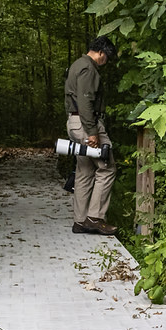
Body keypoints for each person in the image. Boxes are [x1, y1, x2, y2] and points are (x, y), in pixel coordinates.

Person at [65, 36, 117, 235]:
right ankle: (94, 218)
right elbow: (85, 101)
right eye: (107, 57)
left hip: (75, 122)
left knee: (84, 170)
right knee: (107, 167)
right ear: (101, 53)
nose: (106, 62)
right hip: (87, 123)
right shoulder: (88, 69)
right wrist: (92, 132)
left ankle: (80, 221)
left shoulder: (77, 65)